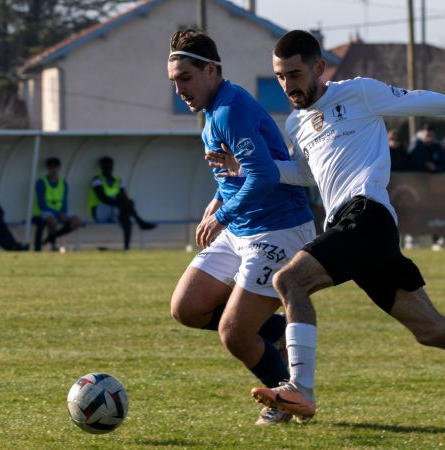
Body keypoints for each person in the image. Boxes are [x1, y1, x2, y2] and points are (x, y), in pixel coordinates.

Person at [218, 29, 445, 429]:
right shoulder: (295, 124)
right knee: (432, 329)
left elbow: (425, 101)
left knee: (291, 280)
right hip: (352, 229)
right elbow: (308, 175)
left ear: (319, 68)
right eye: (280, 76)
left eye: (294, 74)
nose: (287, 85)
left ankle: (301, 391)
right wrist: (250, 169)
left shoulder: (359, 92)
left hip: (367, 216)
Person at [166, 27, 316, 426]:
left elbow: (264, 176)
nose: (179, 89)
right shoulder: (213, 111)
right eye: (174, 81)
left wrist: (223, 215)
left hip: (278, 230)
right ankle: (280, 333)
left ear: (211, 70)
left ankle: (288, 397)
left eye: (186, 78)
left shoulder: (232, 110)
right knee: (187, 308)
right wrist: (217, 200)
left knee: (234, 334)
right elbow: (233, 174)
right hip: (242, 227)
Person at [88, 156, 157, 250]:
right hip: (100, 211)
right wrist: (122, 204)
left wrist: (125, 203)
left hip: (114, 209)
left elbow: (124, 197)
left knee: (126, 216)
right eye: (105, 166)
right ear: (101, 167)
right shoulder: (97, 179)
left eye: (109, 166)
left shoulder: (117, 180)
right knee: (123, 201)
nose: (108, 168)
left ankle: (126, 248)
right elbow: (102, 197)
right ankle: (140, 222)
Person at [33, 157, 82, 251]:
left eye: (56, 167)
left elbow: (64, 201)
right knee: (52, 221)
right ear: (47, 169)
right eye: (51, 167)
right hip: (44, 211)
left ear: (59, 168)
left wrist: (64, 212)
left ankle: (49, 239)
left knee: (77, 222)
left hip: (59, 211)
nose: (54, 170)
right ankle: (53, 245)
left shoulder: (63, 183)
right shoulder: (41, 182)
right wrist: (58, 214)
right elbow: (42, 204)